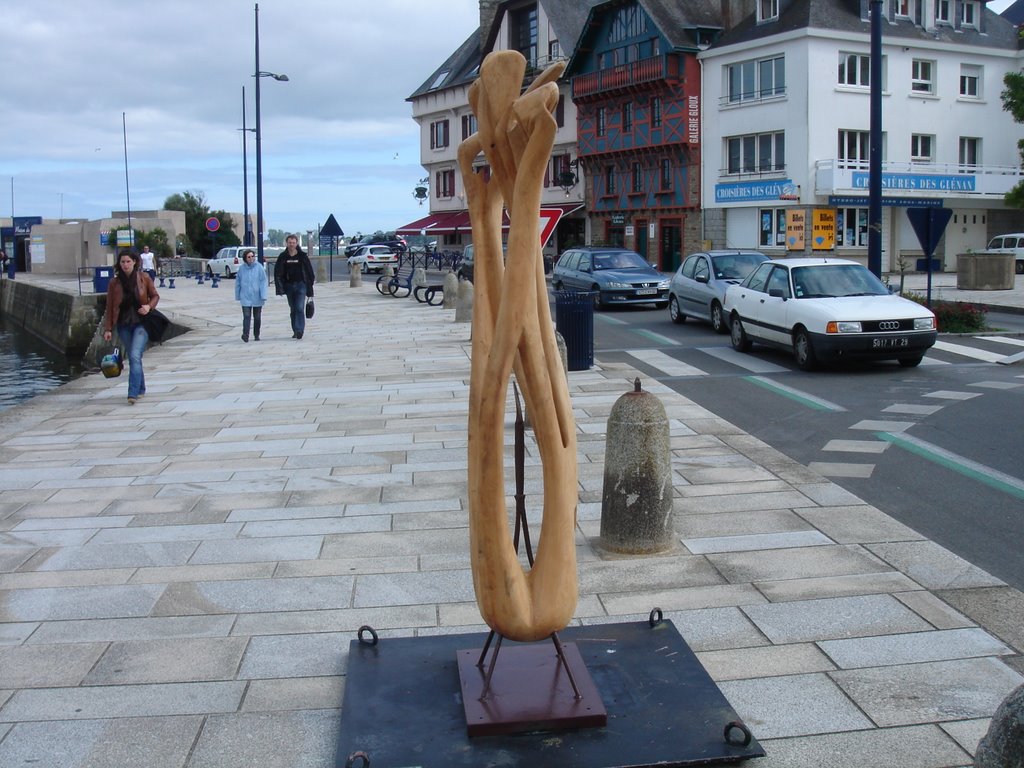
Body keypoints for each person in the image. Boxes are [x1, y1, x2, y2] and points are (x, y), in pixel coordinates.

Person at [102, 249, 160, 405]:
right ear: (119, 264)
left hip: (142, 323)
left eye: (128, 261)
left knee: (134, 355)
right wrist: (108, 329)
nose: (125, 265)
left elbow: (155, 296)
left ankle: (132, 393)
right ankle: (141, 387)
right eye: (122, 262)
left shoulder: (144, 278)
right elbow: (110, 306)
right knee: (134, 358)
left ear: (135, 262)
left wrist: (149, 307)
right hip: (123, 325)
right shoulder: (114, 283)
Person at [273, 233, 315, 339]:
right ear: (287, 244)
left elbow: (309, 272)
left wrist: (310, 287)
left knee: (299, 308)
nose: (292, 244)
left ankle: (300, 330)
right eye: (290, 243)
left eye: (293, 243)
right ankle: (295, 330)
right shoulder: (283, 256)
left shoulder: (302, 256)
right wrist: (280, 288)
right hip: (289, 285)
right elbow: (278, 273)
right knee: (293, 309)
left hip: (301, 284)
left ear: (297, 243)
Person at [235, 249, 267, 342]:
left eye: (252, 256)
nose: (251, 258)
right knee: (246, 316)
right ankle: (245, 334)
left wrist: (263, 295)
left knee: (257, 317)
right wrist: (237, 295)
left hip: (257, 296)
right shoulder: (241, 269)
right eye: (249, 257)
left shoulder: (259, 267)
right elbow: (238, 282)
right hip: (245, 296)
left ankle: (256, 334)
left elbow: (263, 281)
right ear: (245, 258)